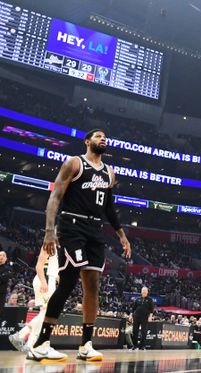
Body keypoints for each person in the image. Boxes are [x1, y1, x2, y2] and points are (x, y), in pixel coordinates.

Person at [27, 129, 132, 363]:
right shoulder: (75, 163)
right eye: (98, 136)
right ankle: (41, 343)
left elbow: (109, 208)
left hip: (96, 230)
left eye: (106, 137)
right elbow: (55, 197)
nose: (103, 139)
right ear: (87, 141)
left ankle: (86, 345)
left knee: (93, 286)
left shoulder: (109, 173)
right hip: (73, 225)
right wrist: (49, 231)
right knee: (67, 282)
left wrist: (121, 235)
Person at [8, 248, 59, 352]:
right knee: (46, 313)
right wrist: (45, 282)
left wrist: (57, 277)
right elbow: (39, 265)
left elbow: (52, 268)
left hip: (46, 279)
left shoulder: (57, 248)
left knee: (44, 314)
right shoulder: (50, 243)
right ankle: (22, 336)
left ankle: (29, 343)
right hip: (45, 280)